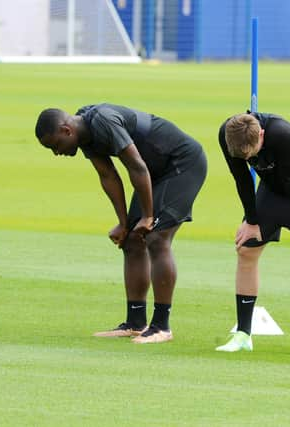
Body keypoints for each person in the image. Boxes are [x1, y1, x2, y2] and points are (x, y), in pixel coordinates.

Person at [34, 103, 207, 344]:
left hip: (182, 164)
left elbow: (136, 166)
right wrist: (124, 224)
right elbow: (108, 175)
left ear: (66, 130)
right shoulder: (83, 133)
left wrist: (147, 217)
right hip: (152, 171)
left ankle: (161, 327)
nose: (56, 153)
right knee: (132, 241)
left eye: (55, 146)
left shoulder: (103, 121)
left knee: (156, 238)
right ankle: (136, 323)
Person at [215, 112, 290, 357]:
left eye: (253, 153)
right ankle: (243, 334)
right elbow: (241, 177)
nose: (251, 159)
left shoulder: (282, 134)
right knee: (246, 247)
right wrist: (252, 221)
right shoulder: (228, 135)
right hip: (272, 188)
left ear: (262, 136)